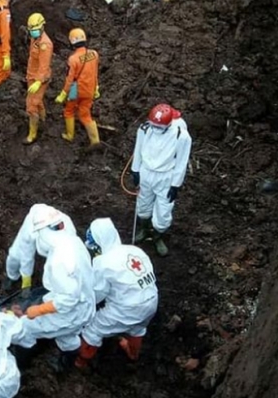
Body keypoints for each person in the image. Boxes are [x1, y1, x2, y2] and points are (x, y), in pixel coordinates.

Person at [10, 213, 96, 372]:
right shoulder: (74, 241)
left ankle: (22, 366)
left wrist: (38, 310)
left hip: (71, 313)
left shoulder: (59, 260)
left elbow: (68, 300)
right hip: (86, 304)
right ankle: (67, 361)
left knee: (22, 327)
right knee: (67, 335)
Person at [75, 218, 158, 368]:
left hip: (128, 308)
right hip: (151, 301)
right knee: (137, 328)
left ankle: (80, 362)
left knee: (92, 330)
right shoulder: (135, 250)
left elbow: (98, 294)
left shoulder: (103, 261)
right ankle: (133, 354)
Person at [130, 103, 192, 256]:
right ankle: (145, 229)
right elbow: (138, 149)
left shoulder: (181, 136)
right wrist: (135, 170)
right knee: (143, 204)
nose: (156, 130)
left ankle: (158, 236)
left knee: (164, 210)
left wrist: (175, 185)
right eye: (154, 126)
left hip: (165, 176)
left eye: (160, 127)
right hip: (146, 172)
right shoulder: (144, 129)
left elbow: (181, 162)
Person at [3, 204, 76, 296]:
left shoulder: (68, 230)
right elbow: (26, 254)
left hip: (54, 248)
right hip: (35, 227)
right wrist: (26, 279)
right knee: (15, 256)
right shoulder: (31, 229)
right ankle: (12, 276)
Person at [55, 28, 101, 150]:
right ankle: (95, 140)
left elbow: (70, 79)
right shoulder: (94, 54)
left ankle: (70, 135)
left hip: (76, 90)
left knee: (69, 111)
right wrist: (96, 87)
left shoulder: (73, 59)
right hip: (90, 89)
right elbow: (95, 73)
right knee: (85, 114)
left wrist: (63, 93)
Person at [22, 12, 53, 145]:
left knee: (31, 105)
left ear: (42, 27)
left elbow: (44, 66)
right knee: (38, 101)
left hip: (39, 79)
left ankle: (32, 134)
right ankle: (44, 120)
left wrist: (38, 82)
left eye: (35, 30)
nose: (33, 32)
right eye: (31, 30)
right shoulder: (35, 39)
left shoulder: (45, 45)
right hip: (32, 76)